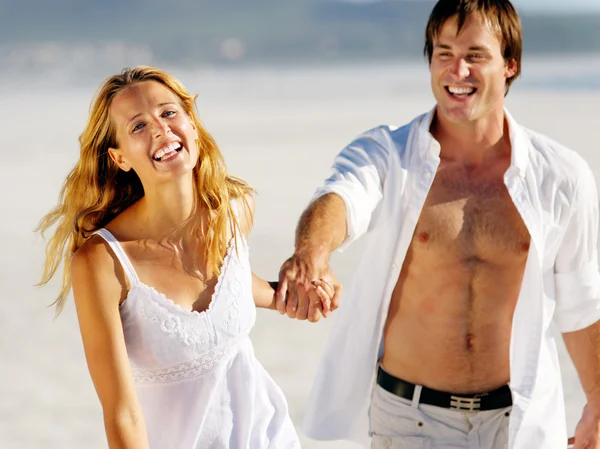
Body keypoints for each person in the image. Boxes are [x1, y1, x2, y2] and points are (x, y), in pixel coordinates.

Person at [275, 1, 600, 448]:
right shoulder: (388, 153)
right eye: (443, 53)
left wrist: (597, 406)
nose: (456, 70)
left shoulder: (562, 177)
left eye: (474, 55)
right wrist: (312, 254)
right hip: (412, 421)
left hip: (518, 423)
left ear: (510, 64)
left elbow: (581, 304)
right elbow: (342, 197)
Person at [36, 66, 332, 449]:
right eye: (138, 126)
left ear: (191, 122)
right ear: (120, 158)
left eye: (168, 112)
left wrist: (297, 291)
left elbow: (235, 285)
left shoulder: (235, 209)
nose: (160, 129)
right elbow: (121, 414)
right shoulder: (103, 263)